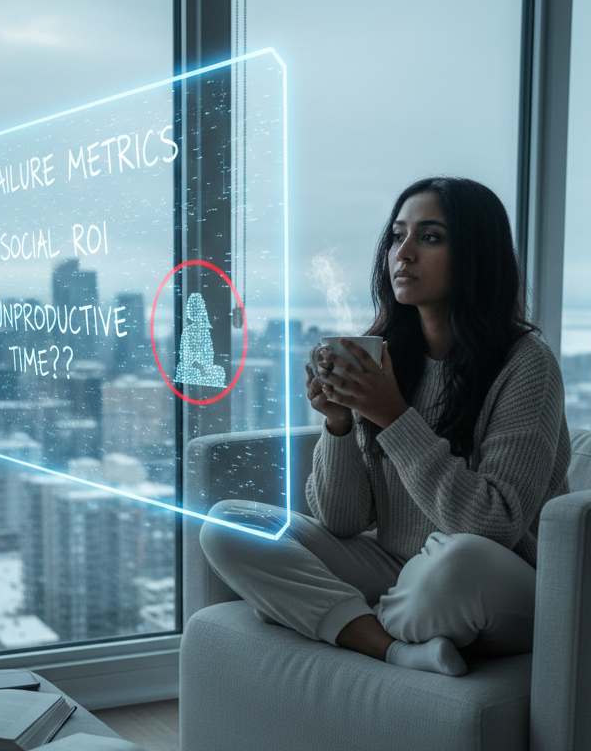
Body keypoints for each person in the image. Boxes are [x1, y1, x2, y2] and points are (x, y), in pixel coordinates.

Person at [200, 176, 570, 676]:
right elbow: (342, 521)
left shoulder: (527, 364)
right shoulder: (390, 356)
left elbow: (494, 525)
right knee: (227, 525)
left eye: (431, 237)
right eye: (397, 236)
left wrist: (394, 417)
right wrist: (338, 424)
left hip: (498, 577)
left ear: (477, 255)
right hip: (398, 567)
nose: (405, 253)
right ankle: (391, 647)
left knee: (455, 563)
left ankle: (334, 616)